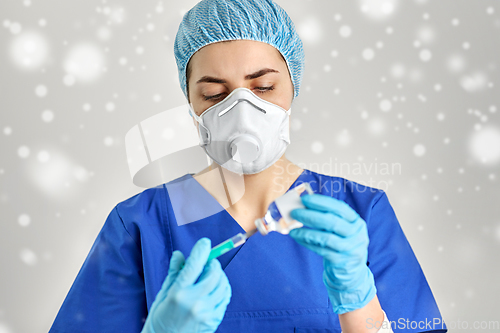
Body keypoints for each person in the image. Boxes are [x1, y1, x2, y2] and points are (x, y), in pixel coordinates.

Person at [48, 0, 448, 332]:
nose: (241, 109)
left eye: (262, 88)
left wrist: (360, 304)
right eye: (214, 93)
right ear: (192, 106)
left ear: (294, 87)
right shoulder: (141, 224)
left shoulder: (359, 212)